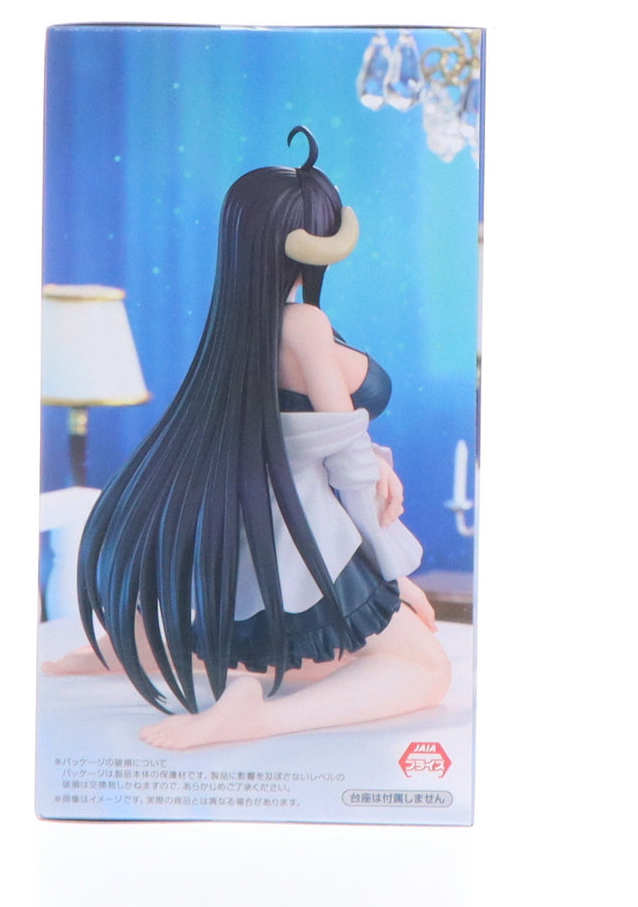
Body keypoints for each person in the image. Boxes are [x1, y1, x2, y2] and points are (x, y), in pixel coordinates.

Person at [53, 126, 450, 750]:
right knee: (426, 669)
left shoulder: (239, 330)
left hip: (262, 524)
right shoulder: (303, 324)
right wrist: (390, 580)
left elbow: (303, 437)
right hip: (303, 531)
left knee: (317, 651)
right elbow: (345, 463)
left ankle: (128, 650)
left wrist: (376, 465)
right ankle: (256, 717)